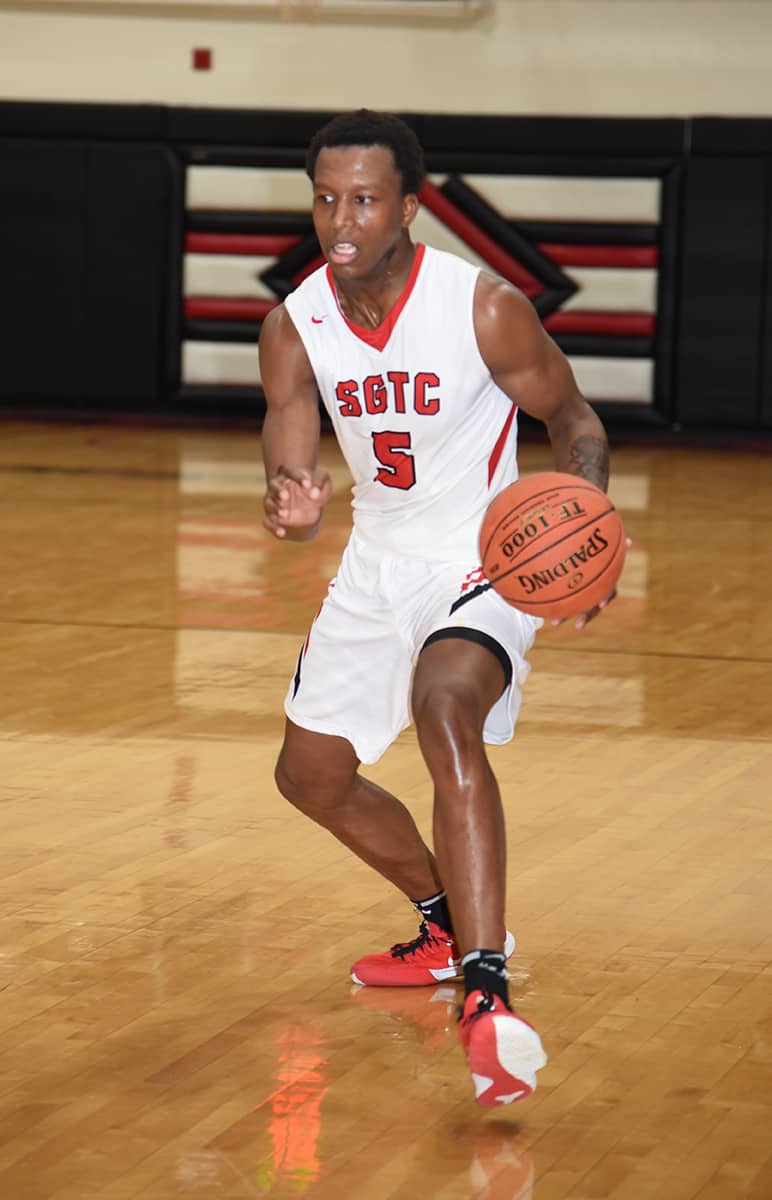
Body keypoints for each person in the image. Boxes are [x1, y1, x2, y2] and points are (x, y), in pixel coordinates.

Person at [260, 109, 614, 1107]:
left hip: (483, 557)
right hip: (376, 560)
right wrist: (288, 496)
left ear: (410, 206)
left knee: (443, 705)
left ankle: (485, 990)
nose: (342, 216)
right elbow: (287, 443)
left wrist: (583, 513)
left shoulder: (482, 306)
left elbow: (570, 413)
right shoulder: (294, 324)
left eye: (365, 198)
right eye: (327, 197)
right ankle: (440, 923)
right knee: (310, 775)